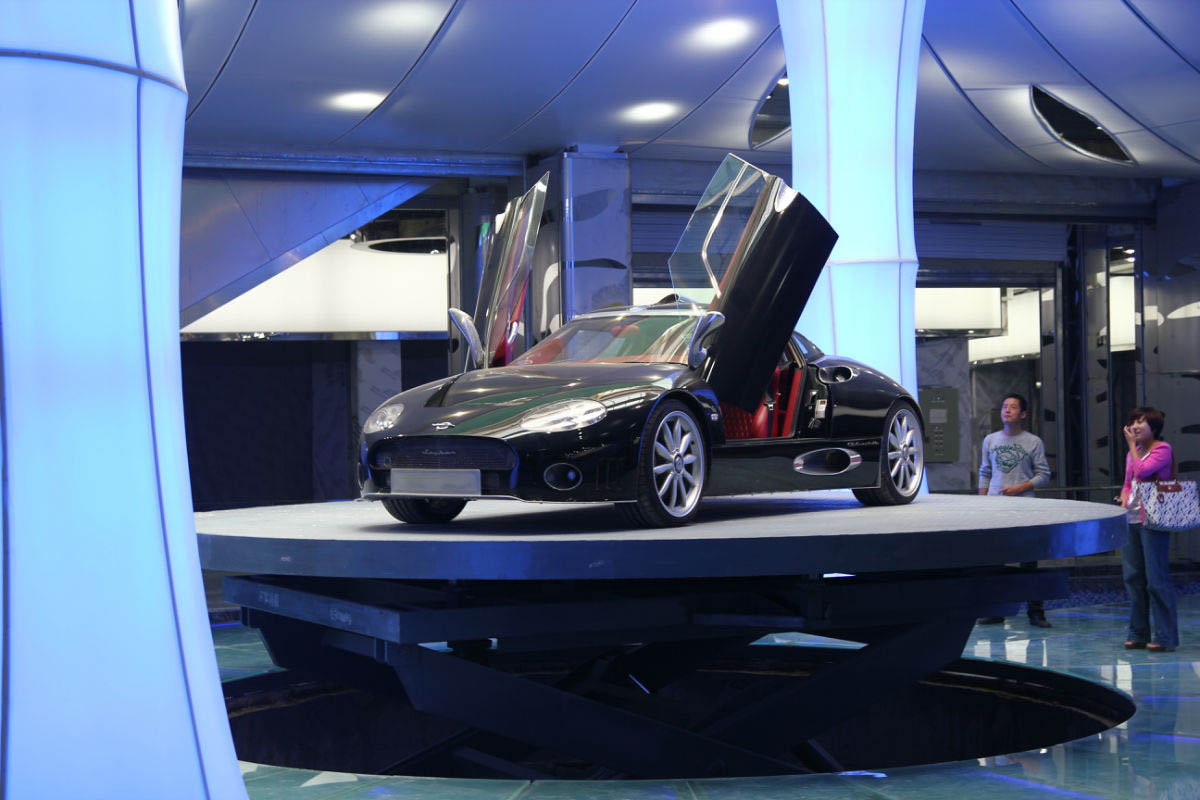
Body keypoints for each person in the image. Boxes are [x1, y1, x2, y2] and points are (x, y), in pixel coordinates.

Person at [978, 393, 1052, 627]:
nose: (1007, 410)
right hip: (995, 508)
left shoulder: (1033, 442)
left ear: (1023, 414)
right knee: (995, 561)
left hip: (1024, 507)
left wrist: (1020, 487)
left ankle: (1036, 612)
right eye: (1004, 406)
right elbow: (985, 471)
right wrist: (982, 501)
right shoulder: (990, 440)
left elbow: (1044, 475)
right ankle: (996, 610)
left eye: (1013, 407)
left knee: (1029, 560)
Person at [1120, 406, 1179, 652]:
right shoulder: (1132, 453)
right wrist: (1123, 499)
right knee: (1133, 578)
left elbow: (1142, 471)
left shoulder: (1162, 449)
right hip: (1131, 519)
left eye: (1140, 422)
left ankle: (1165, 637)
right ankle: (1138, 633)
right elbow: (1128, 483)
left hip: (1153, 520)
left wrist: (1131, 446)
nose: (1134, 426)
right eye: (1133, 421)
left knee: (1156, 580)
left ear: (1153, 428)